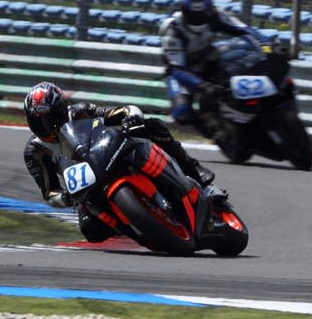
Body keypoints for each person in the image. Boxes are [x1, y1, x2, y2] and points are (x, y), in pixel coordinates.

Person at [21, 81, 219, 243]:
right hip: (84, 185)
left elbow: (112, 113)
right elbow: (49, 192)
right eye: (39, 122)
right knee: (92, 231)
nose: (48, 127)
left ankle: (193, 169)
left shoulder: (80, 111)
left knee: (152, 126)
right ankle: (134, 224)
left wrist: (129, 116)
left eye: (52, 118)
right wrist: (65, 198)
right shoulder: (34, 151)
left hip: (106, 154)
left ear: (62, 109)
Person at [158, 0, 263, 128]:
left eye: (203, 12)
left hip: (208, 58)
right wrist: (203, 86)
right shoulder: (173, 30)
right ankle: (203, 131)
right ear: (184, 9)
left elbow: (246, 30)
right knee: (182, 113)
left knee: (242, 52)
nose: (199, 17)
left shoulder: (217, 14)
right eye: (194, 14)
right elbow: (177, 69)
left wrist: (267, 46)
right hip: (182, 70)